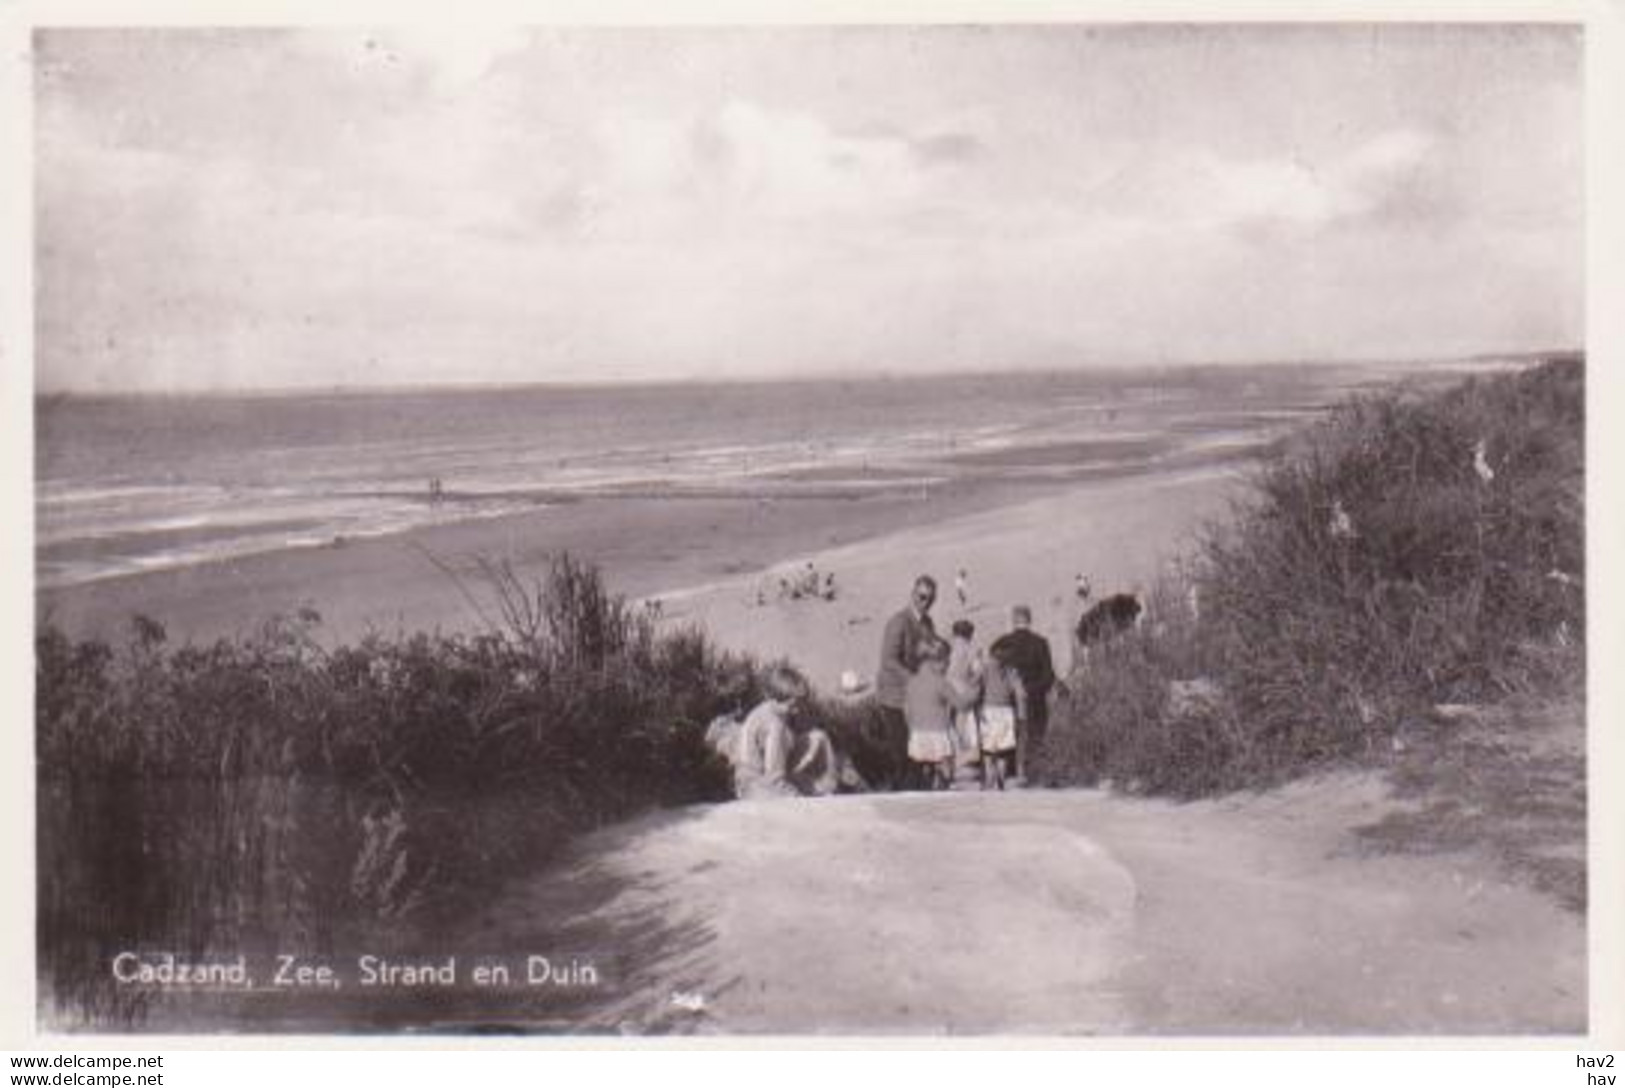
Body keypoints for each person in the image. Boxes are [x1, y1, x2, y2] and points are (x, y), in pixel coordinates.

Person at [734, 665, 839, 799]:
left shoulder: (775, 712)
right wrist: (797, 796)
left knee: (819, 737)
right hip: (754, 784)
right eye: (793, 705)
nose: (797, 710)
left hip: (769, 776)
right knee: (796, 797)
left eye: (799, 704)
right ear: (776, 699)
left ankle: (829, 784)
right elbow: (774, 779)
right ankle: (817, 790)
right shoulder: (773, 724)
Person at [874, 574, 938, 789]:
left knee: (917, 752)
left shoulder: (928, 623)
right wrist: (914, 680)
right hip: (893, 696)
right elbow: (888, 660)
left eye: (930, 598)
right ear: (913, 594)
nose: (925, 602)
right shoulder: (898, 622)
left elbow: (930, 654)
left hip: (915, 699)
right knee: (901, 752)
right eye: (921, 597)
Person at [990, 604, 1056, 782]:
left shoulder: (1001, 643)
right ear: (1030, 620)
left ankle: (1008, 771)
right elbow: (1049, 676)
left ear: (1014, 620)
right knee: (1035, 735)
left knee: (1008, 736)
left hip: (1006, 700)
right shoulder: (1041, 643)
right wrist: (1031, 689)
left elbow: (993, 673)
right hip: (1035, 699)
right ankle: (1032, 770)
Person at [903, 639, 962, 790]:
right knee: (946, 773)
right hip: (939, 735)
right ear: (935, 662)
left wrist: (911, 729)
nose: (948, 667)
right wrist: (976, 685)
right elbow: (961, 704)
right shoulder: (941, 682)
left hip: (918, 735)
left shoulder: (911, 683)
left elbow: (907, 711)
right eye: (946, 662)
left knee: (924, 773)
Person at [945, 619, 985, 779]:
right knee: (966, 728)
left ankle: (951, 763)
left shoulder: (947, 649)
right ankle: (966, 763)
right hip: (964, 691)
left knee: (949, 727)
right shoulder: (971, 650)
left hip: (946, 691)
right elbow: (978, 672)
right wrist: (973, 685)